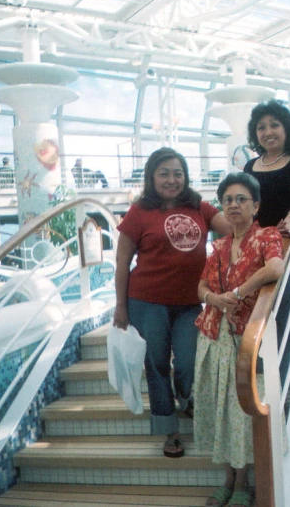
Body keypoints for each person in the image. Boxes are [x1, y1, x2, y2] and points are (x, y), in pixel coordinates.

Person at [114, 148, 230, 459]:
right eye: (164, 173)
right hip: (146, 301)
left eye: (178, 172)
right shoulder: (139, 212)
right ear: (152, 177)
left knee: (190, 360)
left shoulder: (199, 207)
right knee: (156, 364)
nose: (172, 179)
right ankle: (169, 429)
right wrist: (120, 307)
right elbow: (122, 262)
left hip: (190, 302)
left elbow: (234, 228)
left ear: (186, 176)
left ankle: (185, 397)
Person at [194, 173, 284, 507]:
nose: (233, 205)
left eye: (241, 199)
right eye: (227, 199)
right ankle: (228, 479)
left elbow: (275, 268)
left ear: (256, 205)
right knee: (221, 411)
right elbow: (201, 287)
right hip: (214, 336)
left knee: (241, 412)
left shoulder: (267, 236)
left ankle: (243, 483)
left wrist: (236, 292)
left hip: (246, 339)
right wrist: (215, 300)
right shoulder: (217, 246)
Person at [243, 100, 290, 243]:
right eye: (261, 128)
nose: (268, 132)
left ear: (286, 129)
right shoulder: (249, 166)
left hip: (281, 235)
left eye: (274, 125)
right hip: (253, 238)